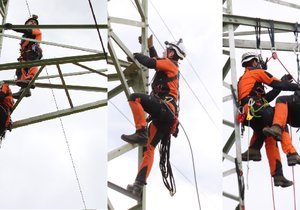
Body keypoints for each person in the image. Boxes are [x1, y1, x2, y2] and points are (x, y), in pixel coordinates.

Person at [121, 35, 185, 196]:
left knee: (134, 97)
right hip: (165, 116)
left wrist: (136, 55)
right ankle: (138, 185)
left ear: (171, 54)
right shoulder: (170, 65)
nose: (164, 52)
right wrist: (150, 48)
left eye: (167, 50)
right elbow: (156, 61)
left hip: (164, 109)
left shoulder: (170, 64)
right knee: (149, 149)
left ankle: (141, 131)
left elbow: (151, 63)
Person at [238, 51, 300, 187]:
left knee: (269, 136)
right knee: (280, 122)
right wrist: (296, 86)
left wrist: (282, 82)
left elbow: (267, 98)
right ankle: (291, 153)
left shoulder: (246, 79)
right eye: (258, 62)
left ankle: (276, 173)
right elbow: (276, 84)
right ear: (254, 62)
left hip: (250, 114)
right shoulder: (256, 72)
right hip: (256, 108)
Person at [3, 14, 43, 99]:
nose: (32, 23)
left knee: (32, 62)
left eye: (34, 22)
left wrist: (13, 27)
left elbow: (27, 30)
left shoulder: (35, 30)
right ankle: (24, 89)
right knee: (20, 70)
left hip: (33, 51)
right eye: (30, 21)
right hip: (25, 54)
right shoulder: (24, 36)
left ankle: (30, 79)